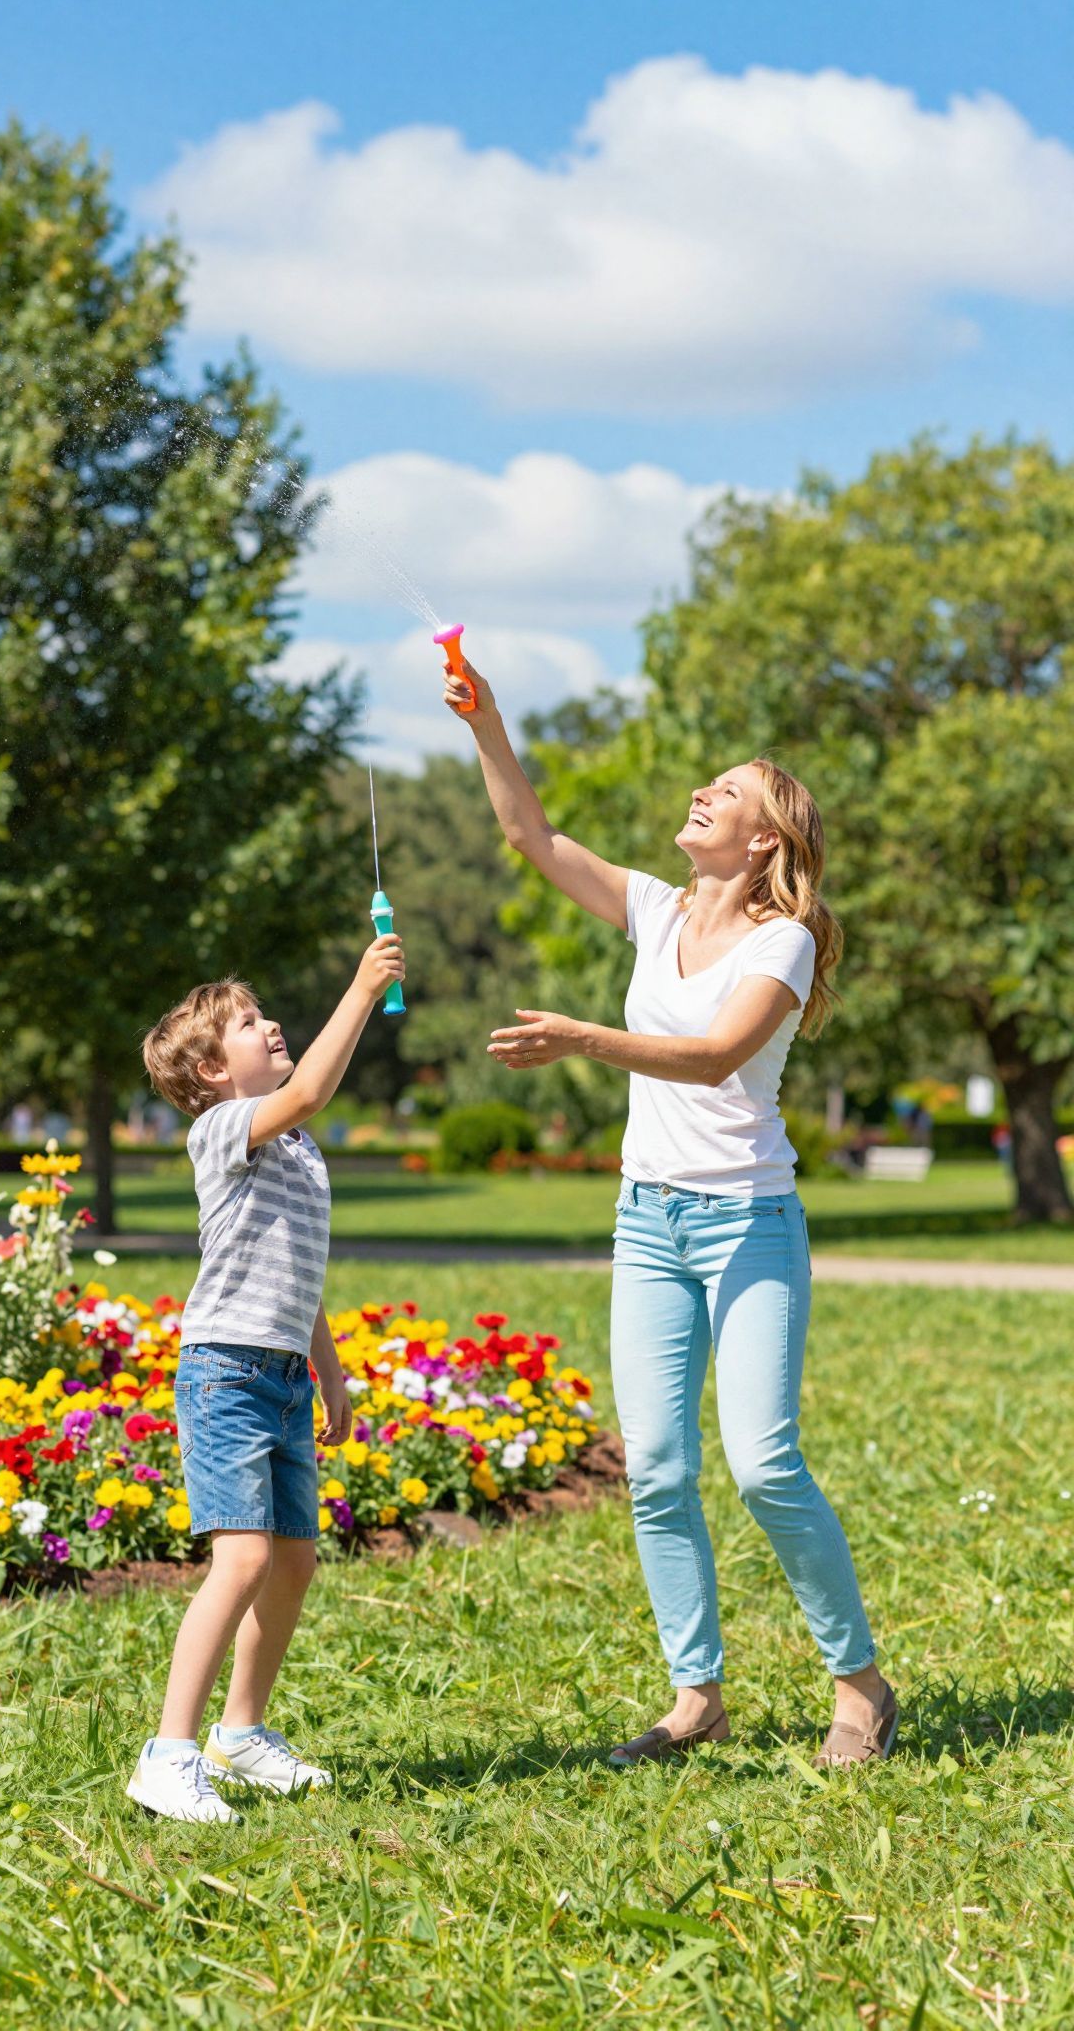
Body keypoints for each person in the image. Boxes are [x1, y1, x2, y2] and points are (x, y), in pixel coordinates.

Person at [443, 654, 896, 1770]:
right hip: (647, 1220)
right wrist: (488, 723)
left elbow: (714, 1055)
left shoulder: (784, 942)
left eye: (726, 792)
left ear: (765, 842)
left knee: (764, 1464)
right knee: (653, 1465)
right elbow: (532, 839)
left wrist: (583, 1038)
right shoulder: (656, 907)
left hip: (748, 1222)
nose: (702, 792)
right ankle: (697, 1697)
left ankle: (861, 1685)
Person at [128, 929, 405, 1822]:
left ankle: (240, 1735)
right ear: (212, 1071)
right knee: (243, 1557)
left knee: (292, 1561)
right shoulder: (221, 1132)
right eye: (249, 1023)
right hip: (226, 1374)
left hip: (282, 1375)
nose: (271, 1024)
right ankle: (169, 1755)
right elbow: (312, 1088)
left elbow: (299, 1272)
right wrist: (361, 989)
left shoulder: (299, 1151)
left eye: (262, 1013)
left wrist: (329, 1372)